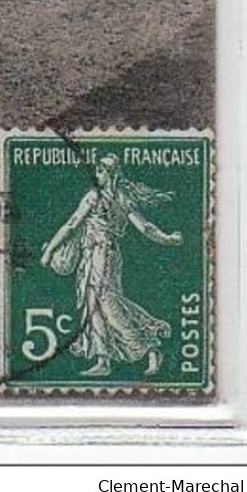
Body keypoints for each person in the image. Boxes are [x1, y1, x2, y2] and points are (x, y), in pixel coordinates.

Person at [39, 155, 182, 377]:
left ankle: (149, 347)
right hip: (96, 255)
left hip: (102, 255)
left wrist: (49, 251)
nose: (96, 175)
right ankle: (103, 359)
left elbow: (71, 226)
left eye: (100, 171)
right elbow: (146, 228)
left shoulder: (95, 196)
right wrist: (168, 238)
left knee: (108, 304)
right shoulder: (120, 197)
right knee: (93, 304)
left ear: (110, 173)